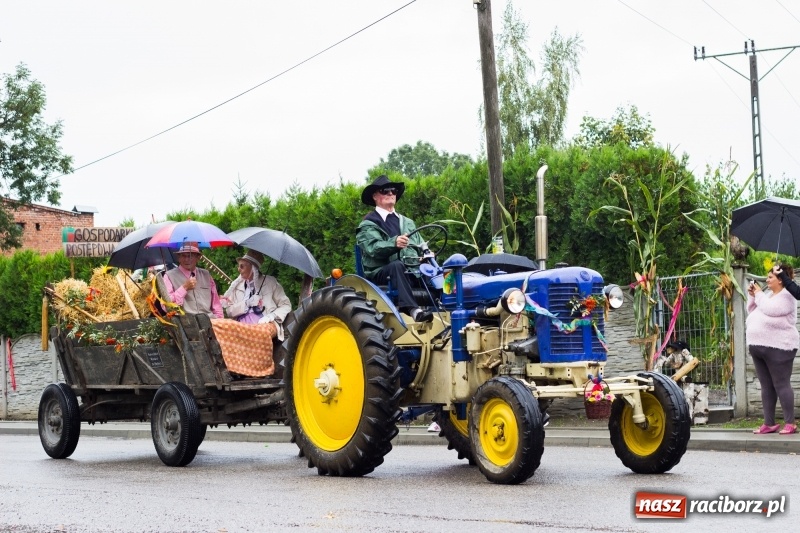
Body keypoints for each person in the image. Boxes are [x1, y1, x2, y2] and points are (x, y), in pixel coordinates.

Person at [356, 175, 432, 323]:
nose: (391, 193)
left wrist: (426, 255)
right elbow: (373, 248)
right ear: (375, 196)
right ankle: (413, 310)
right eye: (385, 190)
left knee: (433, 269)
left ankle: (448, 308)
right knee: (397, 266)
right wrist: (394, 243)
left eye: (394, 190)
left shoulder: (408, 222)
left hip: (411, 270)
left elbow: (421, 244)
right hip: (382, 272)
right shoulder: (368, 224)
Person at [746, 265, 799, 435]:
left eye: (770, 277)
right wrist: (752, 295)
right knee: (766, 386)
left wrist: (759, 294)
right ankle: (769, 423)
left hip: (779, 347)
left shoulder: (787, 296)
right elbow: (752, 310)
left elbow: (771, 309)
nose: (767, 280)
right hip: (758, 346)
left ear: (780, 279)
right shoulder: (768, 295)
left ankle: (790, 423)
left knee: (781, 384)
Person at [221, 250, 292, 339]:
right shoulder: (238, 286)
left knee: (256, 333)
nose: (238, 269)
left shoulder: (270, 282)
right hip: (241, 326)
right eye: (238, 266)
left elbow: (286, 305)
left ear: (253, 268)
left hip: (263, 325)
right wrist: (246, 304)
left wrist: (272, 316)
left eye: (242, 266)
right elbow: (229, 311)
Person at [161, 242, 224, 319]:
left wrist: (220, 320)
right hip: (185, 324)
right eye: (183, 256)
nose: (187, 259)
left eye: (190, 256)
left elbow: (216, 303)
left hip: (210, 321)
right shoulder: (169, 276)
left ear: (198, 257)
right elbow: (165, 305)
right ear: (179, 258)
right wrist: (184, 288)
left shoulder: (206, 274)